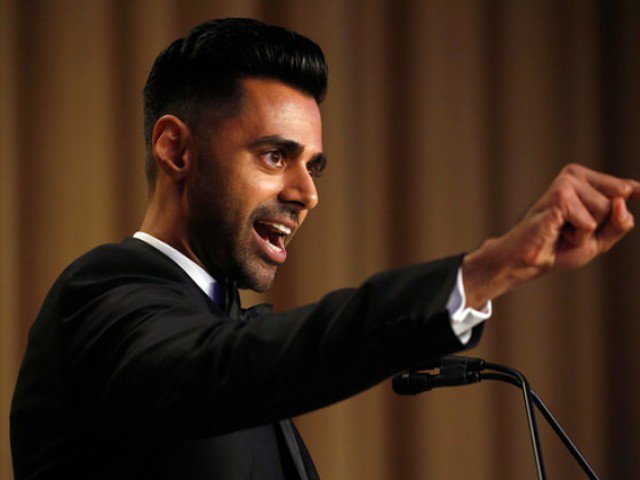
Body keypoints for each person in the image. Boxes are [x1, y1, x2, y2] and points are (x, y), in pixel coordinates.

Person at [10, 18, 639, 480]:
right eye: (275, 155)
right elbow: (232, 367)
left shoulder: (220, 324)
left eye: (314, 166)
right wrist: (484, 272)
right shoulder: (102, 298)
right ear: (176, 150)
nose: (307, 193)